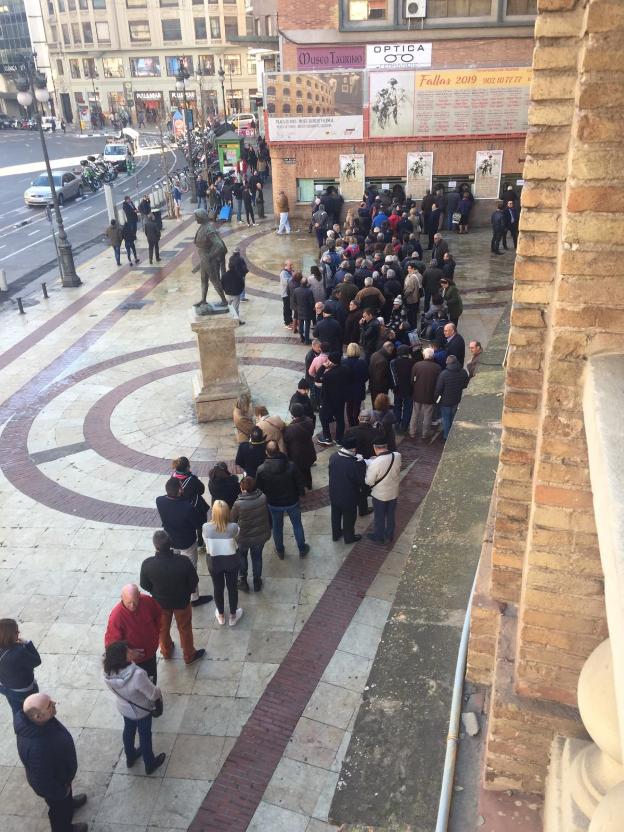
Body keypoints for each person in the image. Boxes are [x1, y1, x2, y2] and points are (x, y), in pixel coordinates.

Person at [15, 692, 88, 832]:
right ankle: (64, 828)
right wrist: (60, 792)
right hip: (55, 787)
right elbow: (42, 780)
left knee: (65, 800)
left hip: (62, 776)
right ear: (38, 716)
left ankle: (69, 802)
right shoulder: (38, 748)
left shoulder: (40, 722)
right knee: (59, 811)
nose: (54, 703)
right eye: (49, 705)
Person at [140, 530, 206, 665]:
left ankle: (166, 651)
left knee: (163, 628)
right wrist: (187, 592)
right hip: (182, 601)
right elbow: (193, 580)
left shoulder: (148, 564)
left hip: (160, 603)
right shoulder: (183, 561)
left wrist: (155, 593)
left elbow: (144, 584)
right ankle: (189, 655)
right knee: (185, 628)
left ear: (155, 546)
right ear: (170, 544)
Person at [103, 641, 166, 775]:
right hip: (142, 710)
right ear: (122, 658)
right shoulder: (137, 675)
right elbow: (153, 693)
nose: (131, 651)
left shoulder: (108, 673)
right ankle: (150, 764)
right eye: (128, 651)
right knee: (145, 736)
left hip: (125, 708)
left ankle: (130, 757)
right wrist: (159, 702)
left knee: (128, 731)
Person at [156, 478, 209, 607]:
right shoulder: (187, 507)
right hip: (187, 542)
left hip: (170, 541)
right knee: (190, 568)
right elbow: (199, 524)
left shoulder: (160, 501)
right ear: (180, 490)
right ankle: (194, 598)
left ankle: (177, 590)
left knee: (173, 566)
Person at [255, 440, 309, 559]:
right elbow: (300, 482)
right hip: (292, 501)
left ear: (266, 452)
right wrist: (301, 494)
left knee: (277, 527)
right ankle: (302, 548)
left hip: (274, 503)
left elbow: (259, 488)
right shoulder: (291, 466)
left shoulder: (261, 469)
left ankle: (280, 550)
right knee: (297, 525)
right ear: (278, 450)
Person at [104, 585, 162, 683]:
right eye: (128, 602)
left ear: (139, 595)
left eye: (135, 602)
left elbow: (158, 616)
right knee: (139, 685)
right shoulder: (116, 617)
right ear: (122, 598)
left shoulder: (147, 601)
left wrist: (155, 635)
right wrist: (128, 654)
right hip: (134, 662)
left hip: (151, 653)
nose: (132, 605)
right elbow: (111, 647)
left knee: (152, 679)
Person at [203, 500, 243, 626]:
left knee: (218, 588)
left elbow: (205, 542)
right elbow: (238, 538)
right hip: (231, 561)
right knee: (232, 588)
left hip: (214, 562)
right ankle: (233, 615)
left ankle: (220, 615)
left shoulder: (206, 528)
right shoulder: (233, 527)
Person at [328, 435, 365, 544]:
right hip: (349, 496)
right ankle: (349, 537)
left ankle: (336, 534)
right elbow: (360, 480)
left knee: (335, 515)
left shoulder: (333, 456)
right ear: (353, 449)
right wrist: (361, 462)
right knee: (349, 517)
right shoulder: (355, 463)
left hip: (334, 493)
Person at [0, 619, 41, 715]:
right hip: (23, 690)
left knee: (17, 712)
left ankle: (20, 728)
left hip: (4, 686)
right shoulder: (19, 652)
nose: (18, 633)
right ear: (11, 635)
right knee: (35, 711)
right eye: (16, 632)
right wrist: (28, 643)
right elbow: (36, 661)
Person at [365, 440, 401, 544]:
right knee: (391, 515)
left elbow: (369, 481)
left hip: (380, 495)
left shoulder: (375, 463)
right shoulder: (397, 455)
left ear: (375, 448)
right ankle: (390, 535)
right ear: (386, 446)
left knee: (379, 516)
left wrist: (369, 467)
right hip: (393, 492)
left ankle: (379, 536)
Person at [171, 456, 209, 550]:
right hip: (194, 506)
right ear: (187, 468)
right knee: (200, 523)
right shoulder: (191, 480)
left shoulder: (173, 477)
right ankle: (200, 544)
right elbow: (201, 490)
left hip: (178, 506)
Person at [316, 351, 350, 446]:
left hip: (328, 400)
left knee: (323, 417)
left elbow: (317, 378)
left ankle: (327, 437)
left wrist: (323, 366)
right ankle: (339, 439)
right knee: (340, 419)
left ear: (332, 362)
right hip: (341, 399)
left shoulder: (328, 375)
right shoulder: (346, 370)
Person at [409, 347, 442, 440]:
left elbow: (412, 380)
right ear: (433, 356)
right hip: (430, 395)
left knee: (415, 414)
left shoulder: (417, 365)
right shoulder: (437, 367)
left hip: (417, 394)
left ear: (424, 355)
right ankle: (425, 433)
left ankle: (412, 432)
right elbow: (438, 383)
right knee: (428, 415)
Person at [435, 355, 469, 439]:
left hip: (445, 401)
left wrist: (436, 399)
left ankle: (447, 436)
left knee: (446, 419)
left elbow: (438, 389)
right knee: (452, 417)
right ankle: (451, 433)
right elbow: (465, 385)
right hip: (456, 399)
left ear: (447, 362)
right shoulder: (463, 372)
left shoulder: (444, 374)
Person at [284, 402, 316, 490]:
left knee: (299, 472)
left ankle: (301, 488)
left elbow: (286, 439)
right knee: (307, 470)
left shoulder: (291, 428)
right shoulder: (309, 421)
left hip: (297, 455)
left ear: (293, 414)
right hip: (309, 451)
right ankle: (309, 485)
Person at [342, 342, 369, 427]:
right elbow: (366, 376)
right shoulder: (362, 362)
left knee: (349, 406)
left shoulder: (344, 362)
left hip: (347, 388)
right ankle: (356, 422)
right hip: (359, 388)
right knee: (357, 406)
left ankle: (350, 423)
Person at [390, 345, 415, 433]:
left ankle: (397, 424)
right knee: (408, 408)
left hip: (398, 389)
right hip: (409, 389)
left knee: (397, 406)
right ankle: (404, 426)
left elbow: (393, 376)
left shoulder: (394, 362)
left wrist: (395, 386)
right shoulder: (412, 362)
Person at [368, 342, 395, 407]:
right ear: (388, 349)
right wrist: (389, 384)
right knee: (380, 408)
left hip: (373, 386)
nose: (392, 352)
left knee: (375, 406)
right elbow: (380, 377)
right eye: (391, 350)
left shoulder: (374, 354)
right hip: (380, 389)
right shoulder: (383, 361)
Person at [293, 277, 315, 345]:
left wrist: (297, 308)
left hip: (299, 310)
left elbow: (294, 301)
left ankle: (302, 337)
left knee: (301, 324)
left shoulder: (296, 290)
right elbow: (312, 302)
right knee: (307, 326)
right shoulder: (309, 291)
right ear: (306, 283)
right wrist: (312, 308)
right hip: (307, 311)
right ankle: (307, 340)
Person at [280, 260, 293, 327]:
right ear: (286, 265)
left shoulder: (290, 271)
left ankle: (290, 320)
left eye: (291, 265)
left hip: (290, 293)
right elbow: (286, 282)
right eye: (290, 265)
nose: (291, 266)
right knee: (286, 308)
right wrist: (293, 277)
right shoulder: (283, 273)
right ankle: (287, 322)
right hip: (285, 294)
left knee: (290, 308)